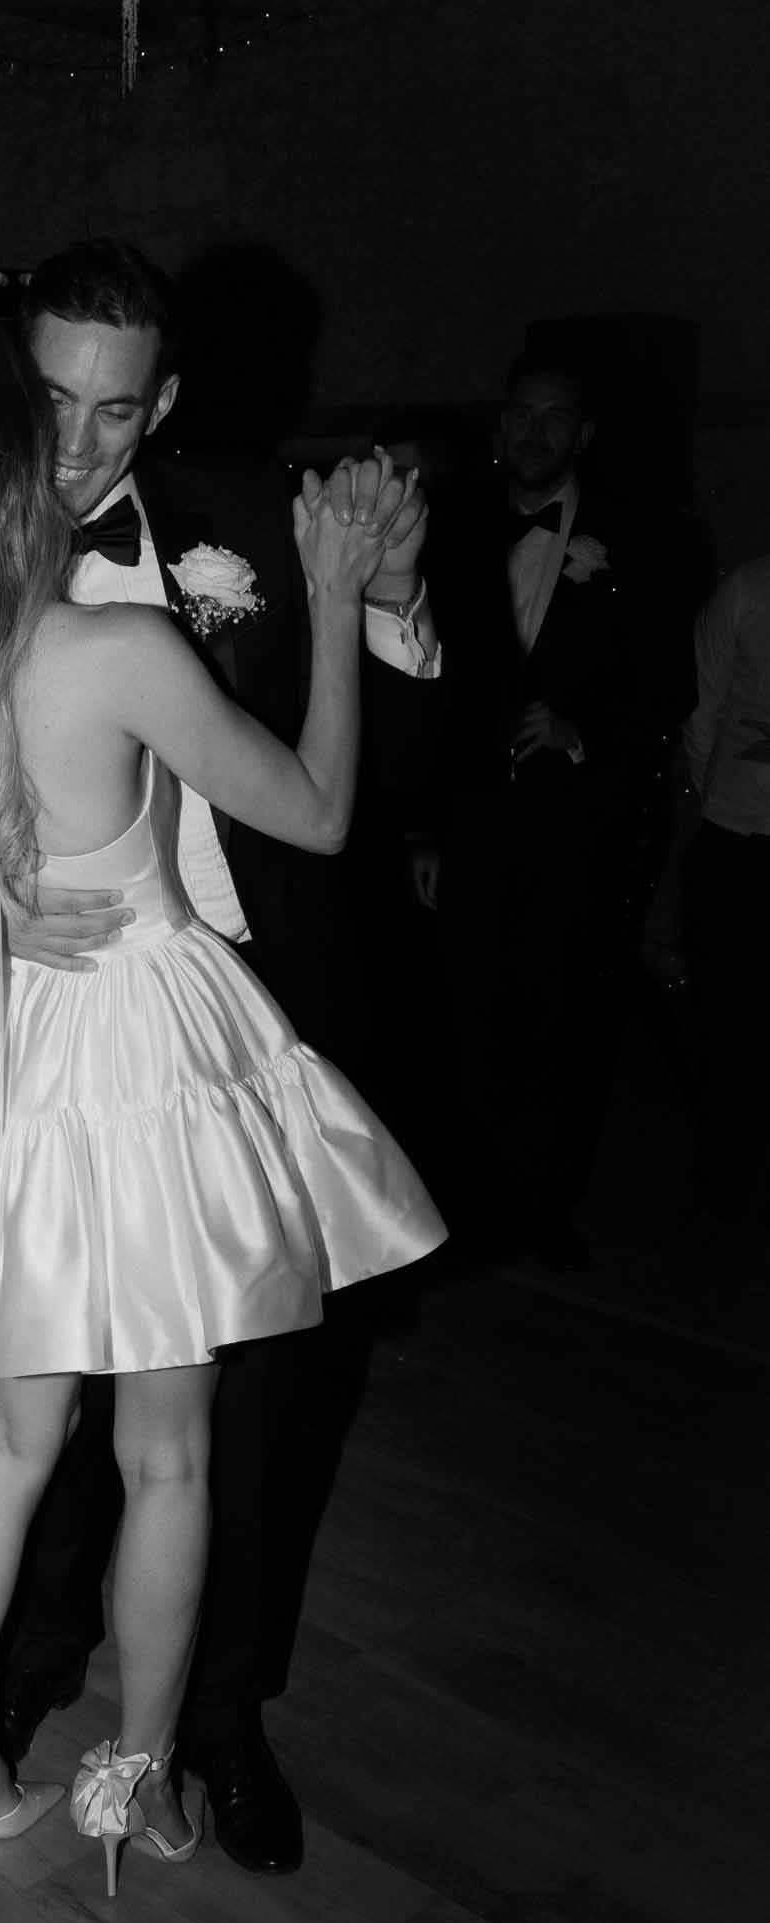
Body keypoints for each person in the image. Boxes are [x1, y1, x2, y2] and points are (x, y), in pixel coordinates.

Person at [0, 316, 444, 1895]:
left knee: (14, 1443)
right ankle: (135, 1780)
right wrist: (329, 596)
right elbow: (319, 814)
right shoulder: (113, 649)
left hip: (3, 1063)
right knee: (171, 1460)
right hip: (142, 1067)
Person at [0, 240, 445, 1879]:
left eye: (116, 409)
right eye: (51, 399)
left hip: (251, 1015)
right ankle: (38, 1654)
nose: (78, 441)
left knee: (241, 1410)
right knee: (48, 1379)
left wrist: (382, 603)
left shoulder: (256, 526)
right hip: (57, 1019)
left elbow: (394, 776)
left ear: (165, 401)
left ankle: (215, 1719)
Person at [426, 353, 692, 1268]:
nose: (534, 431)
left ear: (582, 435)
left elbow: (670, 685)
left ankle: (541, 1209)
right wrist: (423, 824)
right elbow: (423, 684)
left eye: (554, 417)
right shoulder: (455, 528)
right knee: (464, 1016)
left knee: (561, 1020)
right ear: (500, 425)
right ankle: (463, 1208)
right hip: (468, 821)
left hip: (575, 823)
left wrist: (583, 731)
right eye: (521, 413)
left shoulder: (643, 542)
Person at [682, 553, 770, 1223]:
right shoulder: (746, 588)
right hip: (736, 838)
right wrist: (713, 804)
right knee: (727, 1020)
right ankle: (724, 1179)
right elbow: (701, 712)